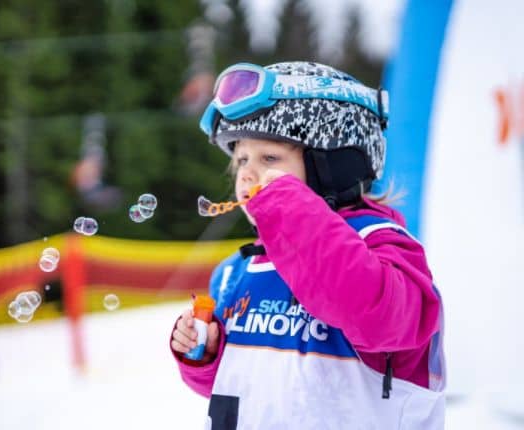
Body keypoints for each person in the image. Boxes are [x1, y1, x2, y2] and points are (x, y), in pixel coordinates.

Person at [169, 61, 446, 429]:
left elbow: (373, 314)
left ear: (332, 164)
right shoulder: (236, 271)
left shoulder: (382, 246)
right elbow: (238, 387)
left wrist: (291, 209)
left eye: (269, 158)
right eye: (241, 160)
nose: (248, 173)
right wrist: (204, 355)